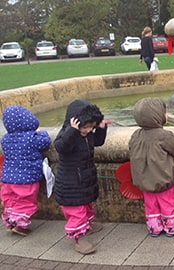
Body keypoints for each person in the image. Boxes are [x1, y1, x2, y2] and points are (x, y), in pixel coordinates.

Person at [54, 99, 112, 255]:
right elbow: (61, 147)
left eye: (90, 127)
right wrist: (72, 131)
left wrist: (100, 128)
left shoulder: (87, 135)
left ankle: (88, 224)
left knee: (86, 205)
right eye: (84, 127)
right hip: (70, 183)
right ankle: (79, 238)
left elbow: (98, 142)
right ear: (74, 122)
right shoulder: (68, 134)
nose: (87, 130)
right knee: (76, 211)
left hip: (84, 179)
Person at [128, 97, 174, 237]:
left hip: (145, 181)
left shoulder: (136, 135)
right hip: (163, 179)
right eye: (164, 112)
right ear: (158, 116)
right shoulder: (164, 135)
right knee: (168, 202)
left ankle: (154, 227)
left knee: (150, 204)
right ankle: (172, 227)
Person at [1, 106, 51, 236]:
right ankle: (20, 225)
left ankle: (11, 221)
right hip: (26, 178)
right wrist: (41, 132)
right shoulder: (32, 138)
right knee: (25, 201)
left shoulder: (5, 139)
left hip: (8, 178)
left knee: (11, 200)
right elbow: (46, 142)